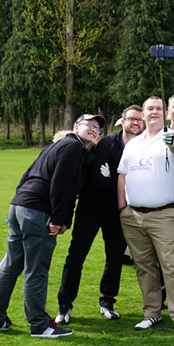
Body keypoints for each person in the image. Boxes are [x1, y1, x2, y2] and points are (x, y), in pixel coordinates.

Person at [0, 114, 104, 338]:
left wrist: (20, 202)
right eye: (89, 125)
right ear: (75, 127)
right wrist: (58, 218)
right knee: (36, 270)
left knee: (11, 264)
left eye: (98, 129)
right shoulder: (72, 147)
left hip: (20, 207)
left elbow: (27, 175)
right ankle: (40, 325)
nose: (94, 130)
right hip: (37, 211)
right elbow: (60, 184)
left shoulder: (63, 147)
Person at [54, 106, 143, 326]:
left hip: (118, 210)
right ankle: (64, 305)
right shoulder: (107, 143)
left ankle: (107, 302)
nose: (135, 123)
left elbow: (120, 179)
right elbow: (97, 179)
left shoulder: (144, 146)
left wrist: (116, 179)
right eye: (131, 119)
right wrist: (124, 182)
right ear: (122, 122)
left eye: (139, 120)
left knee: (115, 257)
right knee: (77, 255)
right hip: (91, 206)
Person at [117, 97, 174, 339]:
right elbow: (122, 175)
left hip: (165, 215)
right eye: (149, 109)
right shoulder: (133, 144)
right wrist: (123, 209)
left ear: (166, 113)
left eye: (159, 109)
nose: (154, 113)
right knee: (144, 267)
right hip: (134, 216)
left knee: (173, 267)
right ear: (143, 114)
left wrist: (170, 142)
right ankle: (152, 312)